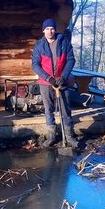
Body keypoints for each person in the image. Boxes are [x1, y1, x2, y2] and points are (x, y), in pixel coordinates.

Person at [31, 18, 76, 147]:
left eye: (52, 29)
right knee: (49, 109)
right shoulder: (39, 45)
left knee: (65, 109)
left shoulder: (64, 42)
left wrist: (63, 76)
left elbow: (71, 60)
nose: (50, 31)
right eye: (47, 29)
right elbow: (35, 65)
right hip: (46, 83)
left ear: (55, 30)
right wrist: (48, 78)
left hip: (63, 81)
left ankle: (69, 136)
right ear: (43, 30)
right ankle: (51, 136)